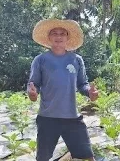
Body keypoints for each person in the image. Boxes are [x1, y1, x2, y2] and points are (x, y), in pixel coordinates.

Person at [27, 19, 99, 161]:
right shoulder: (40, 60)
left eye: (62, 33)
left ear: (67, 37)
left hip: (72, 118)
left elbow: (82, 84)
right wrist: (33, 94)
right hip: (47, 118)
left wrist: (90, 93)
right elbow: (33, 85)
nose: (58, 36)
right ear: (49, 37)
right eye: (54, 33)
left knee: (88, 156)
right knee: (43, 158)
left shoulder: (76, 60)